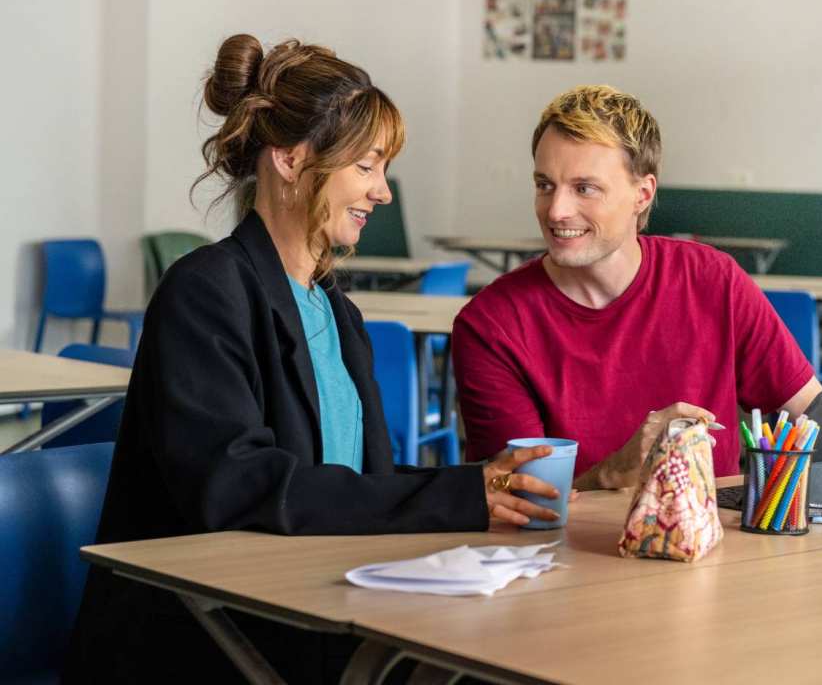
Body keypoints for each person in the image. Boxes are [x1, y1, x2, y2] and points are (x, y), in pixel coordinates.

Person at [67, 35, 564, 683]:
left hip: (321, 616)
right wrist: (462, 494)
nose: (382, 193)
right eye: (366, 166)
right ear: (291, 159)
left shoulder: (336, 311)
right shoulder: (204, 292)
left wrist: (479, 496)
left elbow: (361, 486)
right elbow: (239, 488)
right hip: (206, 643)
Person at [451, 85, 822, 490]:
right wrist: (618, 471)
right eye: (544, 185)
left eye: (584, 188)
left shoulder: (712, 280)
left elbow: (811, 418)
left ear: (643, 194)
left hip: (714, 558)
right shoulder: (490, 325)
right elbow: (519, 505)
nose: (556, 211)